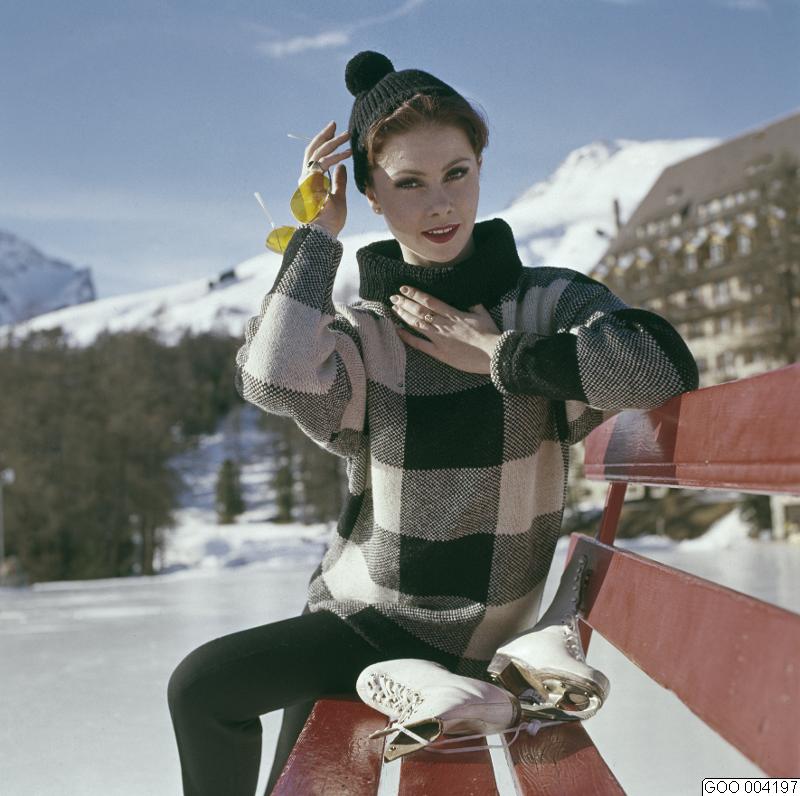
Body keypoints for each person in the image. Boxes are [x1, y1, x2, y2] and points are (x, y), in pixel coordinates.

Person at [167, 50, 699, 795]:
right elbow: (270, 376)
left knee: (201, 686)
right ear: (372, 196)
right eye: (409, 183)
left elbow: (660, 366)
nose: (440, 204)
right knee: (241, 725)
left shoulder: (546, 304)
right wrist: (317, 236)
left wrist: (498, 354)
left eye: (457, 173)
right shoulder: (371, 331)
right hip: (360, 616)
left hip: (456, 639)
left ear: (481, 167)